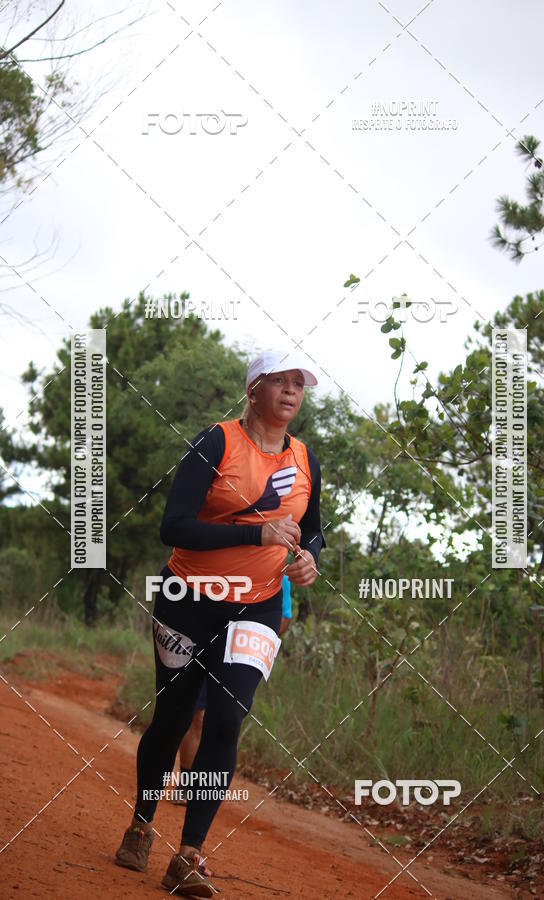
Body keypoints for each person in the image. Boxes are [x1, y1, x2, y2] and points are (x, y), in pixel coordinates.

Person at [114, 350, 325, 897]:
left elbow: (313, 528)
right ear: (254, 387)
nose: (290, 391)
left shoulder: (305, 459)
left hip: (257, 605)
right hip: (186, 598)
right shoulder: (216, 444)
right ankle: (141, 823)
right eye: (279, 380)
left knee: (226, 721)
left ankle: (188, 855)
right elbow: (174, 527)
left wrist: (310, 559)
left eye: (298, 383)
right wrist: (256, 534)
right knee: (173, 718)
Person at [173, 574, 294, 802]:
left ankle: (207, 786)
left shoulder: (278, 574)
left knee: (223, 719)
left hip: (238, 653)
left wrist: (258, 636)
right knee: (196, 715)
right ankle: (187, 783)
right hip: (204, 643)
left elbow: (285, 615)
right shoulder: (224, 556)